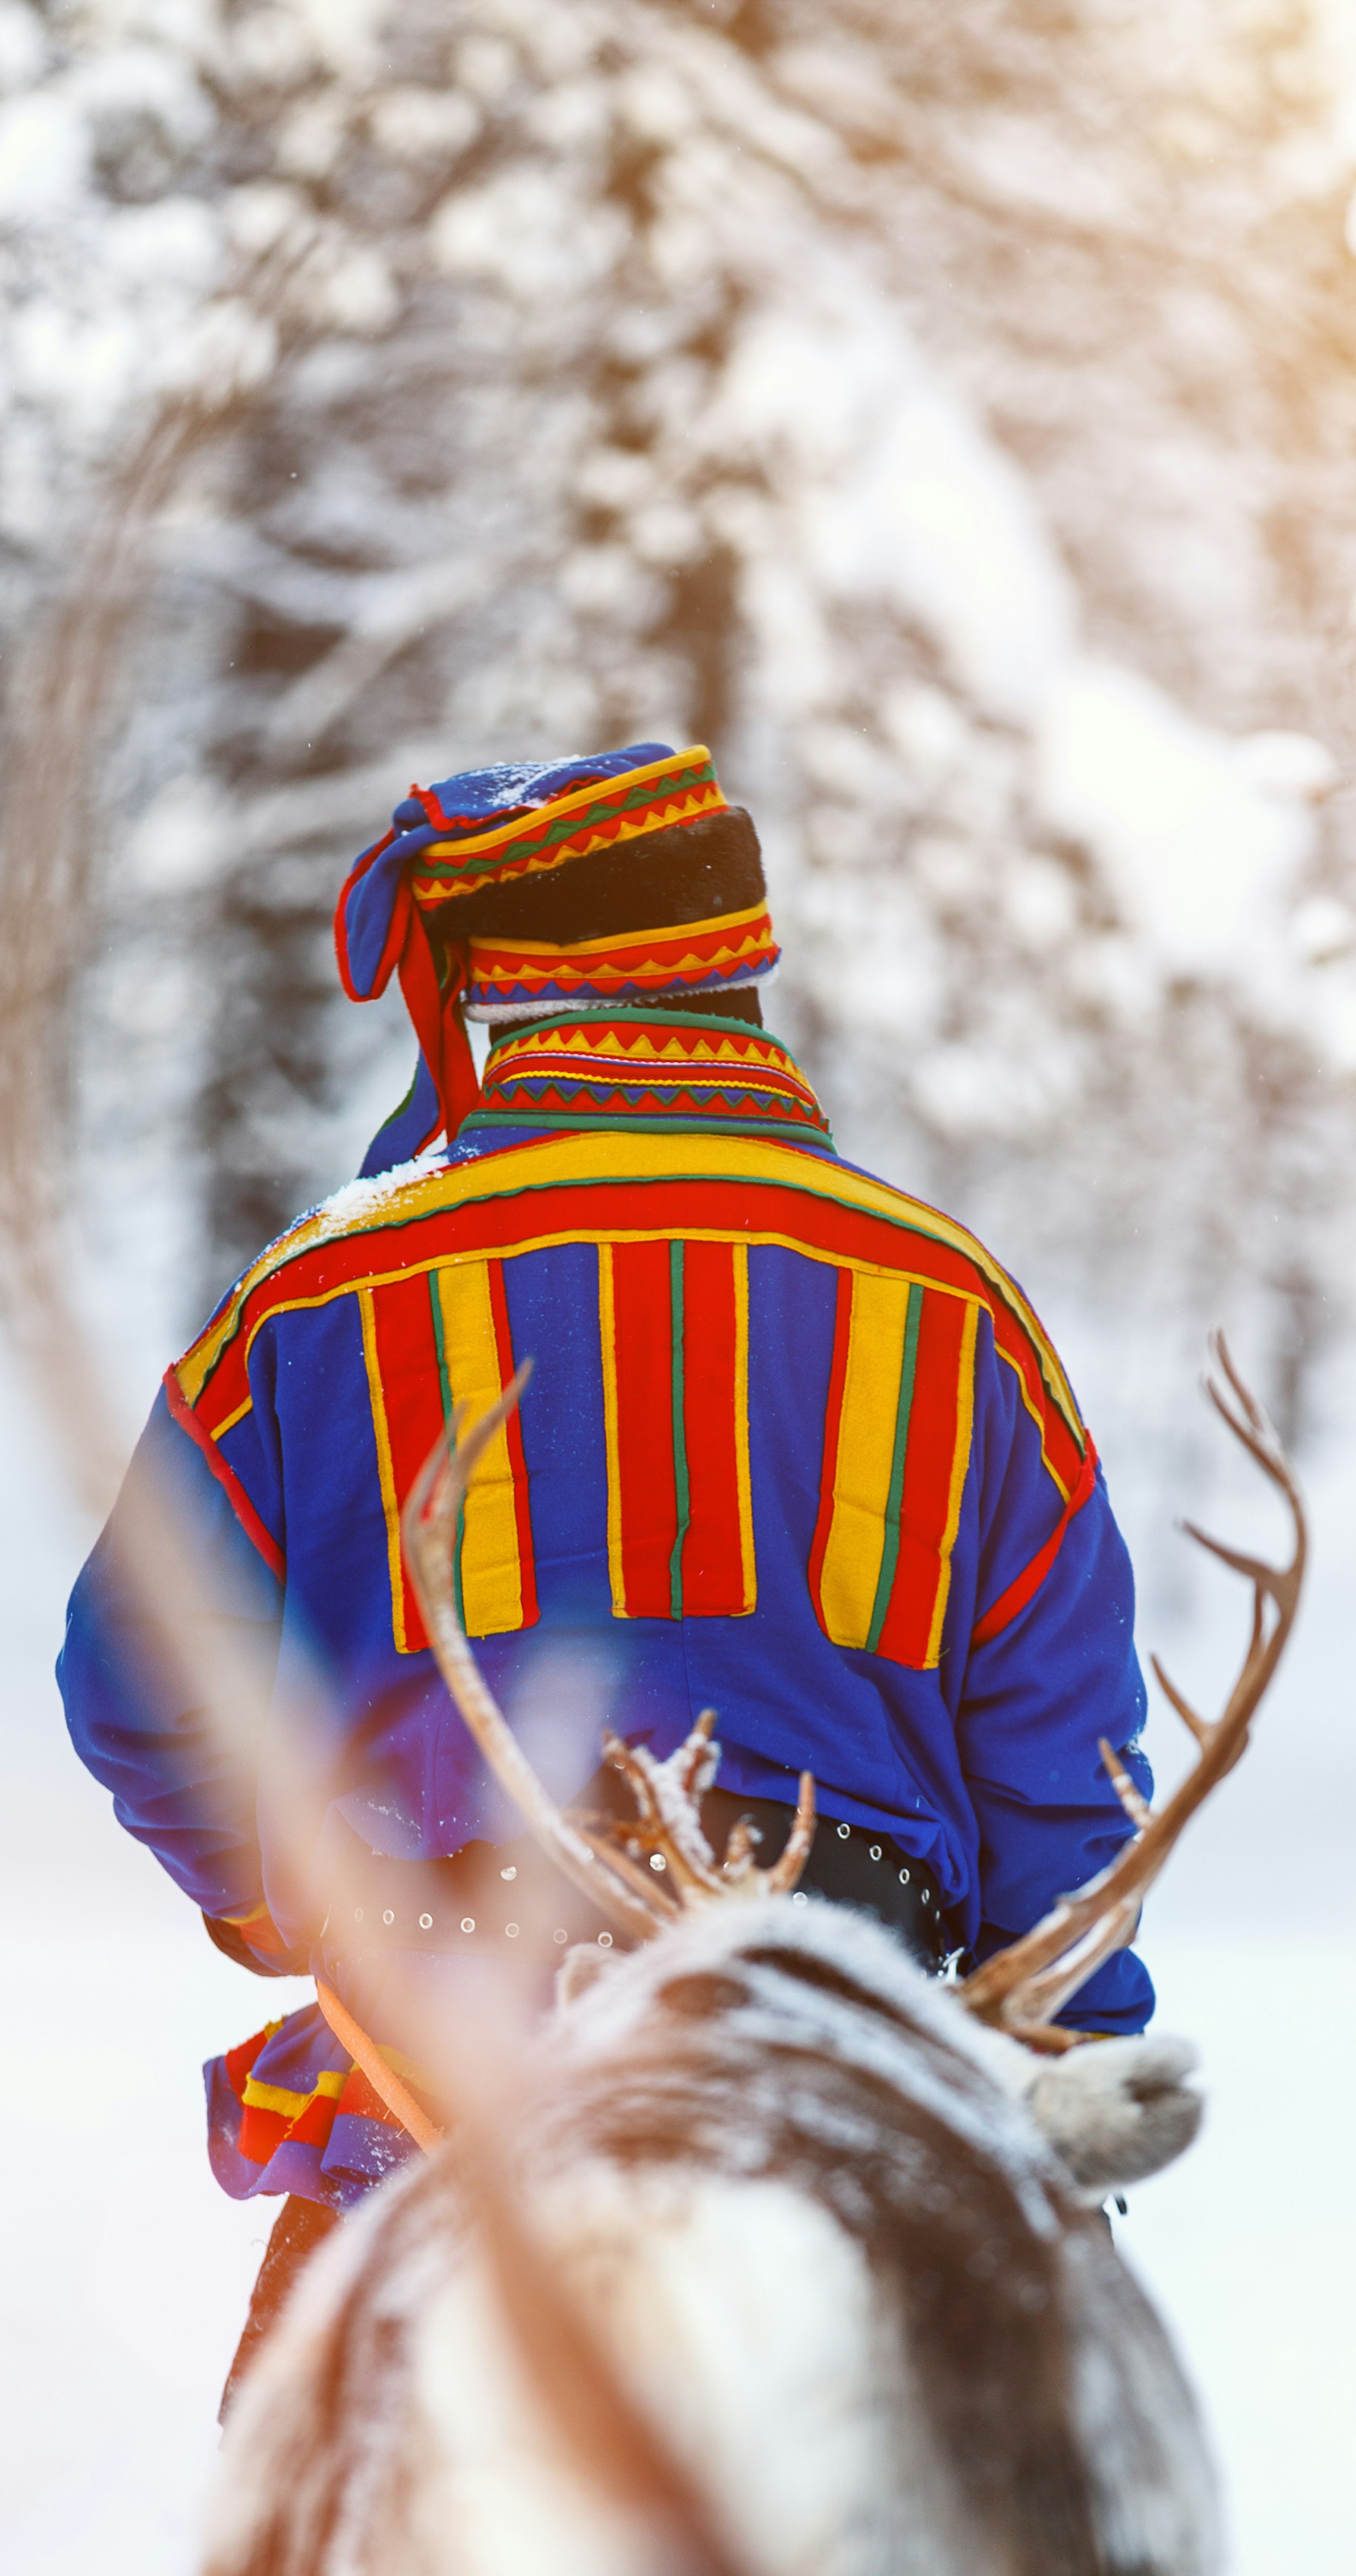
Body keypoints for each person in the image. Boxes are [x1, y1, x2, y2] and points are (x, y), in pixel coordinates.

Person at [58, 744, 1154, 2397]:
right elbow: (1064, 1766)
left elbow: (137, 1683)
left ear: (506, 1006)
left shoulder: (313, 1302)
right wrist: (1073, 2050)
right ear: (733, 980)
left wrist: (284, 1899)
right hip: (848, 2047)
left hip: (447, 2059)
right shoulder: (954, 1306)